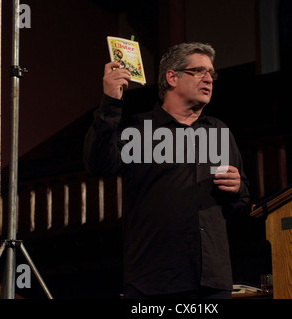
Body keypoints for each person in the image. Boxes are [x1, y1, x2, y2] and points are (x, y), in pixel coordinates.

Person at [84, 42, 251, 299]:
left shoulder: (219, 132)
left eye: (212, 74)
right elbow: (98, 165)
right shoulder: (138, 129)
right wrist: (110, 101)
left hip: (212, 280)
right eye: (199, 71)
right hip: (154, 279)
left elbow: (240, 203)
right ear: (172, 77)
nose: (209, 79)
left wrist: (238, 188)